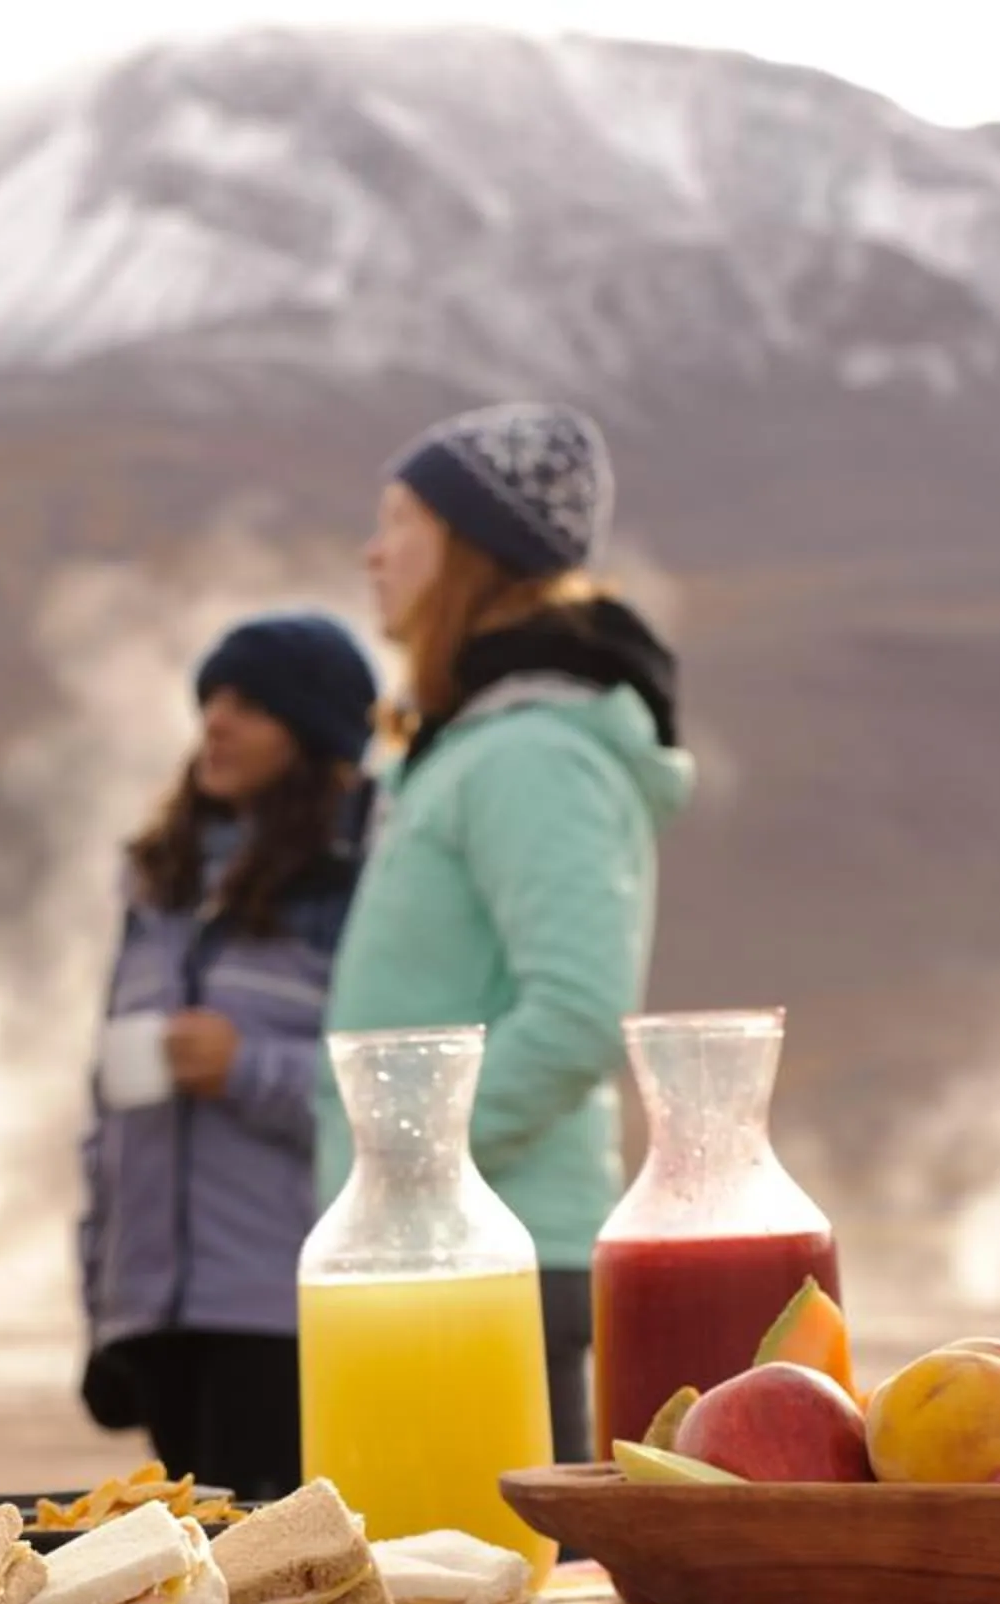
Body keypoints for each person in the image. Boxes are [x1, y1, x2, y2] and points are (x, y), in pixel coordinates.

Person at [319, 402, 695, 1465]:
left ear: (474, 550)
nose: (371, 550)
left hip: (485, 1262)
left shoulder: (533, 756)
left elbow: (578, 1014)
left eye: (399, 520)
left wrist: (406, 1167)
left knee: (484, 1592)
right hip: (431, 1256)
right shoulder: (468, 746)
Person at [77, 613, 376, 1500]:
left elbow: (387, 1092)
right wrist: (104, 1311)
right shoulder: (157, 887)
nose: (215, 721)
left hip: (286, 1317)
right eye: (211, 699)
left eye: (251, 705)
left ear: (315, 729)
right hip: (163, 1319)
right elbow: (105, 1128)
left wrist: (245, 1068)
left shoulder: (354, 890)